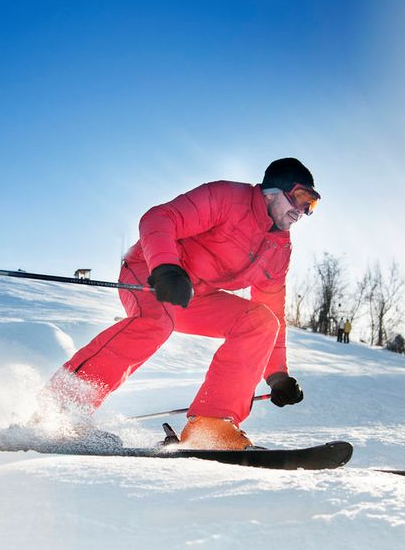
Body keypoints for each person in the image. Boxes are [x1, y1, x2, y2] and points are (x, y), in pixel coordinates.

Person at [43, 158, 320, 449]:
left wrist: (277, 375)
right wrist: (166, 267)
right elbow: (159, 218)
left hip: (192, 296)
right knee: (155, 322)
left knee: (261, 321)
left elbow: (273, 309)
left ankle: (211, 426)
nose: (302, 212)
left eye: (311, 206)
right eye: (301, 198)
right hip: (151, 271)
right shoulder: (227, 198)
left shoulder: (279, 248)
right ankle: (61, 409)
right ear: (273, 191)